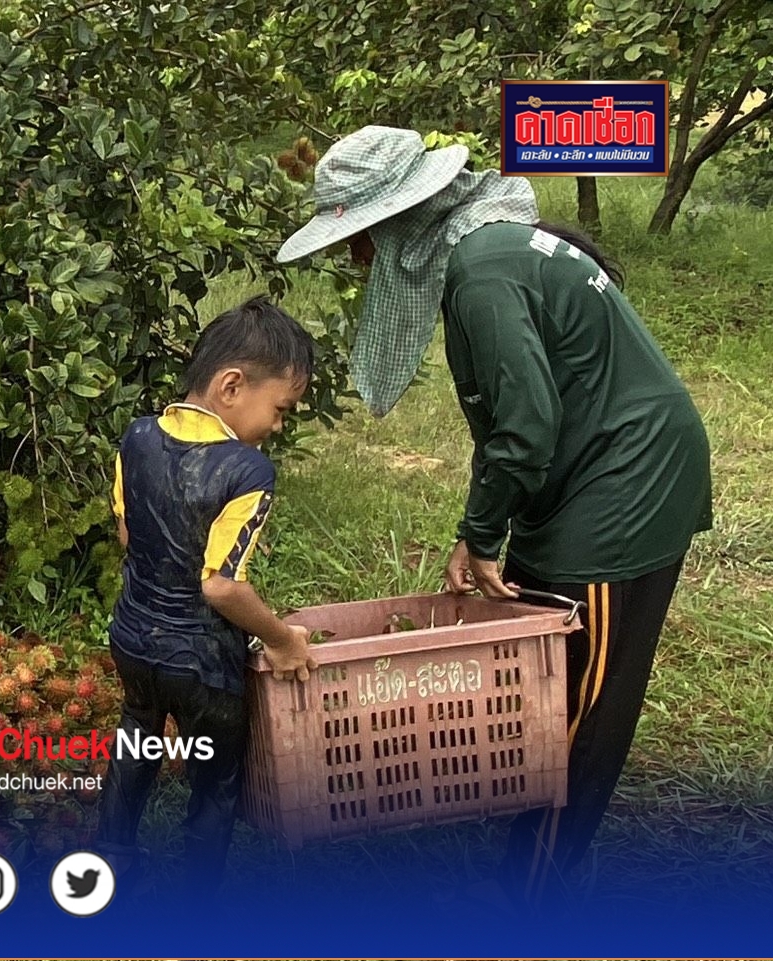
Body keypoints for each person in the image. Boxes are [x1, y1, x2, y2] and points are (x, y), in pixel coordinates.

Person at [277, 126, 713, 912]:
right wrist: (479, 531)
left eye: (357, 239)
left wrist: (481, 534)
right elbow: (519, 421)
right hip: (581, 471)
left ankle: (529, 895)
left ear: (397, 221)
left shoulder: (482, 271)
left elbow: (524, 425)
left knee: (580, 699)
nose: (355, 258)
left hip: (625, 483)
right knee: (542, 669)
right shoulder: (487, 248)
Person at [95, 295, 320, 899]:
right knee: (215, 783)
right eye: (280, 409)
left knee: (136, 738)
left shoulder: (137, 437)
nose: (277, 427)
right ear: (231, 385)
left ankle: (109, 862)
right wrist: (282, 640)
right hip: (202, 663)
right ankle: (197, 901)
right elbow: (220, 584)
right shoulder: (247, 471)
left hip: (133, 640)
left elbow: (128, 536)